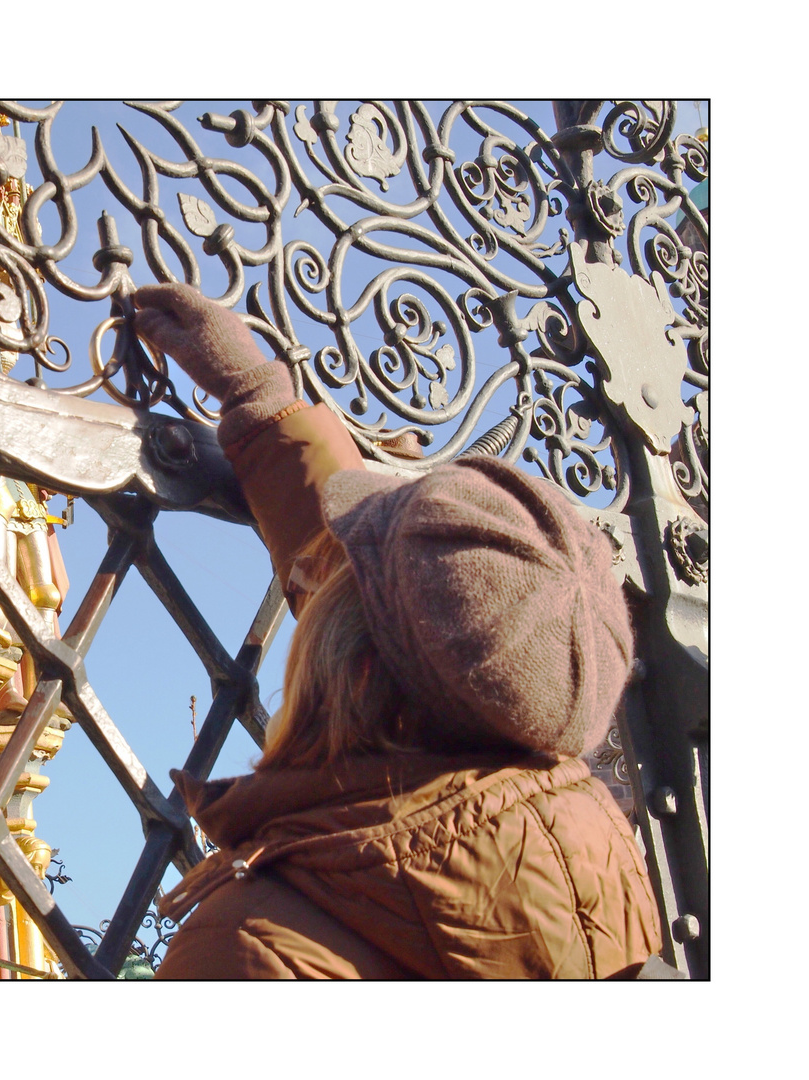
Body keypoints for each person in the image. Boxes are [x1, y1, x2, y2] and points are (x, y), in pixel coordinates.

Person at [131, 283, 663, 979]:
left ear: (353, 668)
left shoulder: (249, 950)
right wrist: (262, 399)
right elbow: (427, 626)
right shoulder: (589, 845)